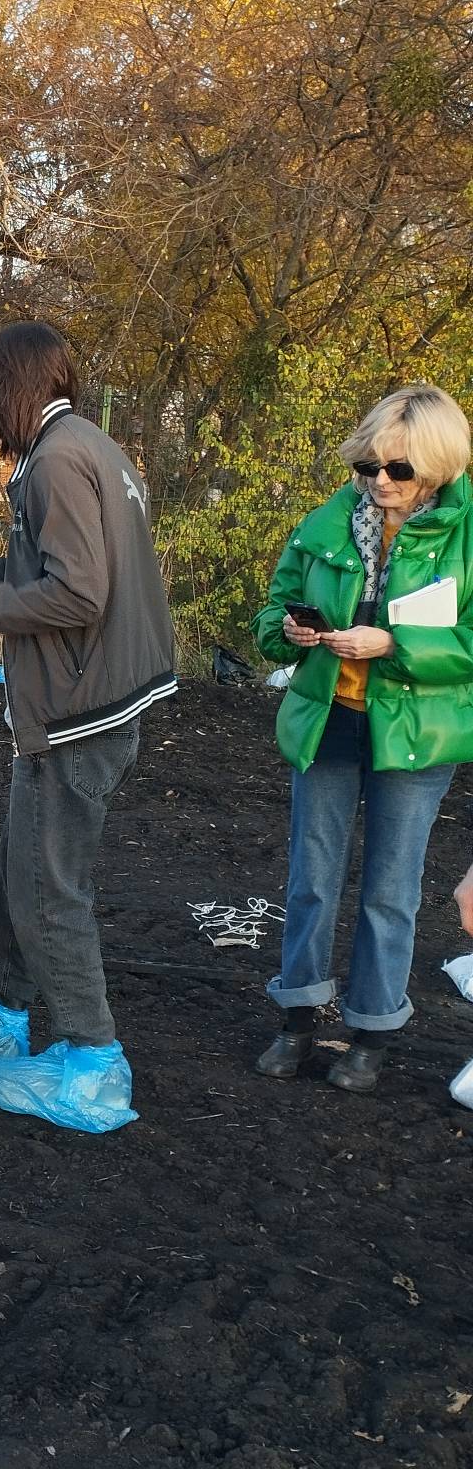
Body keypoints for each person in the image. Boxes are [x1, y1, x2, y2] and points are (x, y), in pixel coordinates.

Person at [0, 319, 177, 1069]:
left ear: (9, 391)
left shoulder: (55, 461)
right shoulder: (91, 444)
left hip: (78, 711)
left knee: (48, 891)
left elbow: (79, 594)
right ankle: (1, 1012)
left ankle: (92, 1061)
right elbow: (69, 565)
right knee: (14, 866)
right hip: (106, 697)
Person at [252, 384, 473, 1093]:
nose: (380, 481)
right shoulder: (323, 525)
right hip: (328, 722)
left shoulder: (467, 539)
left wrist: (395, 644)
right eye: (368, 467)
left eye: (398, 470)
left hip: (413, 736)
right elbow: (267, 616)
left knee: (390, 889)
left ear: (436, 467)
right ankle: (298, 1017)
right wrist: (287, 630)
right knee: (310, 878)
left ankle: (373, 1030)